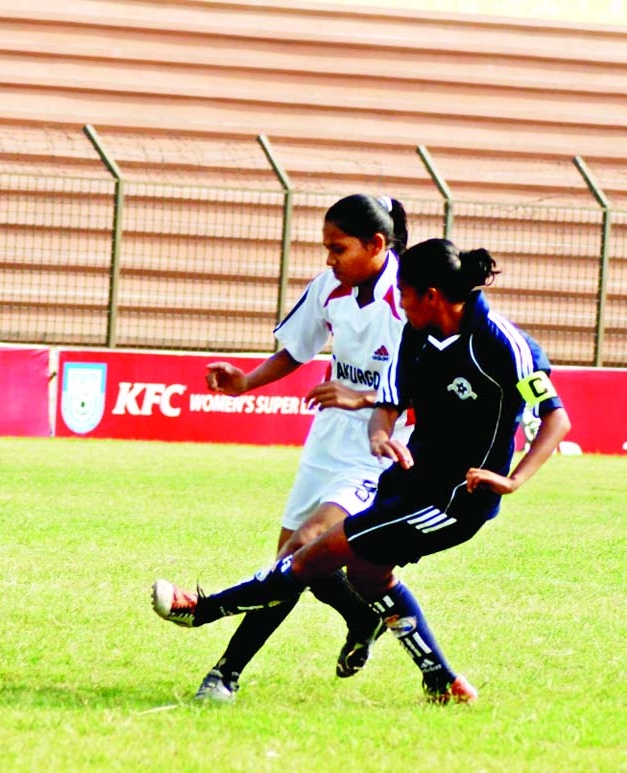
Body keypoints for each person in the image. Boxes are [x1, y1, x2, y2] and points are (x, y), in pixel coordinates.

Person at [152, 238, 571, 704]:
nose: (400, 301)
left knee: (310, 552)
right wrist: (379, 434)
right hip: (410, 482)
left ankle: (204, 610)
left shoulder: (501, 344)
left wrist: (512, 479)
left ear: (430, 294)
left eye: (406, 293)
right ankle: (442, 682)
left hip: (453, 501)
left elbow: (557, 418)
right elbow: (390, 402)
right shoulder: (418, 332)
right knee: (369, 576)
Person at [189, 193, 412, 702]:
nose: (329, 259)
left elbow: (425, 385)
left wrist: (366, 399)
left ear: (377, 244)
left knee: (302, 547)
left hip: (381, 447)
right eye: (327, 248)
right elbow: (297, 347)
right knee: (294, 564)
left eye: (339, 248)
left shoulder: (411, 298)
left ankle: (224, 673)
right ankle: (362, 618)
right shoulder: (331, 286)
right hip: (329, 438)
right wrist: (246, 382)